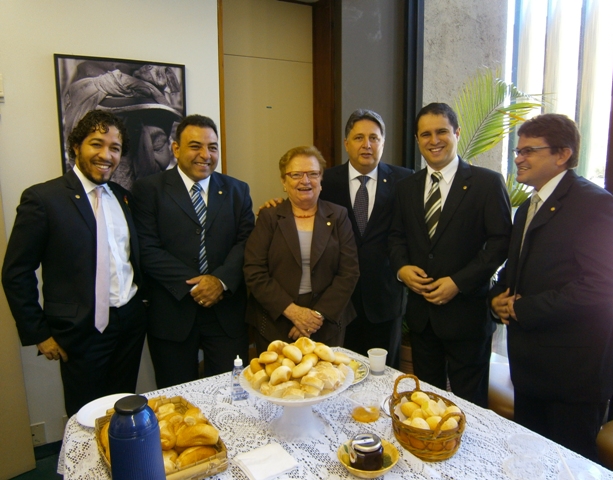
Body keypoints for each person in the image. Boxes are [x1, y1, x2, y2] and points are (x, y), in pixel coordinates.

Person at [490, 113, 613, 460]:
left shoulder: (595, 204)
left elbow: (611, 282)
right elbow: (516, 267)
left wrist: (525, 308)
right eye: (517, 151)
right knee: (530, 459)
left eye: (528, 151)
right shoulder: (526, 208)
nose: (518, 159)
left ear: (563, 154)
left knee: (568, 464)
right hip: (531, 370)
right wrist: (496, 298)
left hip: (574, 375)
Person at [2, 110, 147, 416]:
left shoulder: (123, 197)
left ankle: (121, 463)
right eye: (96, 144)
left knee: (124, 408)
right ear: (76, 146)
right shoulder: (44, 199)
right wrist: (39, 333)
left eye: (115, 148)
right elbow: (16, 272)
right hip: (81, 331)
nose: (105, 155)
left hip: (129, 323)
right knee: (86, 416)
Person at [389, 102, 512, 407]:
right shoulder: (406, 188)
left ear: (457, 133)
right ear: (417, 140)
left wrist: (458, 282)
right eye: (426, 134)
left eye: (442, 131)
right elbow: (395, 237)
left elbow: (500, 242)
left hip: (467, 316)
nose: (434, 140)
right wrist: (402, 268)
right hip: (422, 319)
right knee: (425, 403)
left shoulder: (486, 183)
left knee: (470, 406)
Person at [132, 114, 254, 388]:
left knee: (232, 393)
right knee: (178, 398)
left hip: (225, 313)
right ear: (176, 149)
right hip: (172, 313)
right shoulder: (148, 190)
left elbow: (246, 242)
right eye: (195, 146)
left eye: (212, 147)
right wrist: (197, 285)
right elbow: (147, 249)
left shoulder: (237, 190)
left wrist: (218, 281)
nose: (205, 155)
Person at [244, 146, 360, 352]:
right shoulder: (269, 217)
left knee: (325, 382)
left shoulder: (339, 216)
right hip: (276, 322)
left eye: (313, 174)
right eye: (296, 174)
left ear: (321, 179)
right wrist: (293, 312)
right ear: (283, 181)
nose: (305, 181)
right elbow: (254, 271)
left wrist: (315, 316)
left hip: (327, 324)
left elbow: (349, 272)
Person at [320, 109, 412, 367]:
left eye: (374, 138)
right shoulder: (325, 181)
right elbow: (300, 208)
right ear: (346, 143)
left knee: (383, 375)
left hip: (384, 301)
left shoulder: (405, 181)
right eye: (359, 137)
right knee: (339, 373)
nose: (367, 144)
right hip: (338, 300)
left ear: (383, 143)